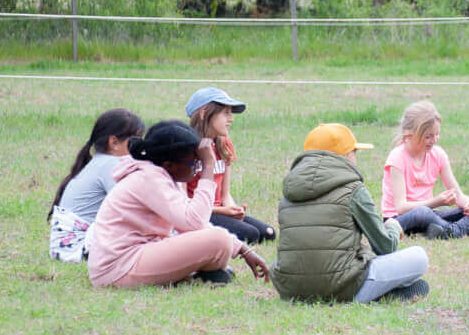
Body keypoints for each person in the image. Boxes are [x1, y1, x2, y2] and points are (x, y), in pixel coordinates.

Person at [86, 120, 272, 289]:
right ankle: (190, 276)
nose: (198, 166)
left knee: (219, 242)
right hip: (118, 268)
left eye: (200, 162)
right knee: (218, 241)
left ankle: (189, 276)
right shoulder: (149, 178)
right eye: (194, 162)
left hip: (131, 259)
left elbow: (189, 224)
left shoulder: (158, 175)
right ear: (169, 165)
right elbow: (195, 222)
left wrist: (241, 248)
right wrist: (208, 166)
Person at [274, 122, 429, 304]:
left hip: (291, 290)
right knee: (419, 257)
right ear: (346, 156)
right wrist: (393, 227)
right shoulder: (354, 189)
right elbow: (385, 247)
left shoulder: (288, 192)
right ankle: (376, 293)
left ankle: (378, 292)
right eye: (354, 153)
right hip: (343, 289)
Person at [381, 100, 469, 238]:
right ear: (409, 134)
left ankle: (451, 230)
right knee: (422, 212)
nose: (434, 140)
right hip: (401, 218)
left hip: (430, 214)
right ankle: (465, 228)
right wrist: (436, 202)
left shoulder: (438, 154)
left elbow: (457, 194)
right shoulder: (397, 158)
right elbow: (401, 207)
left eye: (437, 134)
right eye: (428, 136)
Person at [47, 108, 143, 262]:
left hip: (66, 245)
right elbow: (130, 207)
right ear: (114, 142)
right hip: (78, 246)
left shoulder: (98, 162)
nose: (140, 148)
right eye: (135, 141)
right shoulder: (112, 164)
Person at [186, 85, 276, 245]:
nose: (231, 119)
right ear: (204, 113)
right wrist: (223, 211)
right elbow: (183, 202)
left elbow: (225, 194)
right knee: (251, 235)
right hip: (198, 214)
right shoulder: (186, 148)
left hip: (220, 210)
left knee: (269, 233)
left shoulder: (223, 144)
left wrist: (234, 210)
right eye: (225, 113)